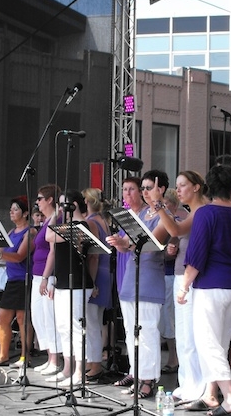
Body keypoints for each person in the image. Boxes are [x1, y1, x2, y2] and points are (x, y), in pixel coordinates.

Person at [176, 165, 231, 416]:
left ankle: (230, 397)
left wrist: (185, 284)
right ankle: (210, 393)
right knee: (219, 341)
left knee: (208, 344)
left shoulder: (205, 214)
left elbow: (196, 254)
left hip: (210, 285)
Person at [106, 170, 171, 398]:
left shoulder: (165, 215)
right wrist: (119, 242)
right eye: (142, 188)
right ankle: (137, 373)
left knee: (147, 331)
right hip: (132, 275)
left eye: (148, 187)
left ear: (161, 188)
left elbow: (152, 242)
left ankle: (149, 379)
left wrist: (128, 242)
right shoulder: (142, 214)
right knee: (131, 330)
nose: (144, 192)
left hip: (149, 278)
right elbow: (130, 244)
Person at [147, 170, 209, 402]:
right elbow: (177, 234)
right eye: (177, 185)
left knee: (190, 335)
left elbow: (175, 229)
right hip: (183, 274)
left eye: (183, 185)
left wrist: (158, 205)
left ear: (196, 187)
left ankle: (196, 385)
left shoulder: (202, 210)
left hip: (191, 278)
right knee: (183, 334)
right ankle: (188, 382)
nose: (179, 189)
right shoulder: (195, 211)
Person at [44, 189, 99, 387]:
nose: (59, 208)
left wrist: (52, 217)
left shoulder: (80, 226)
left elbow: (49, 236)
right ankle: (67, 368)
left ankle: (79, 370)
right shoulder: (65, 225)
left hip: (76, 282)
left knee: (76, 326)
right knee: (62, 326)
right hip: (62, 281)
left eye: (63, 204)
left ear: (73, 205)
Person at [0, 196, 36, 368]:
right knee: (2, 317)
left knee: (23, 318)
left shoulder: (30, 232)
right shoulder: (9, 233)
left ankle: (25, 357)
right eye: (11, 209)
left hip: (24, 279)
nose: (11, 211)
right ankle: (3, 355)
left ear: (25, 213)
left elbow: (19, 256)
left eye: (15, 209)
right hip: (12, 280)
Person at [82, 187, 113, 382]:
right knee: (95, 320)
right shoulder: (104, 222)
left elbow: (93, 255)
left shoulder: (91, 222)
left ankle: (94, 363)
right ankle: (92, 361)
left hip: (97, 274)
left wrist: (91, 282)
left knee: (91, 322)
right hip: (104, 273)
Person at [32, 184, 63, 375]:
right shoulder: (47, 220)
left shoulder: (57, 218)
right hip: (38, 273)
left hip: (47, 274)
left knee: (49, 317)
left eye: (40, 198)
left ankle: (55, 359)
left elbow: (53, 251)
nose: (37, 202)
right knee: (39, 317)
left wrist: (46, 277)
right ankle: (49, 356)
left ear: (50, 199)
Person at [159, 188, 186, 374]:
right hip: (162, 272)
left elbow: (172, 251)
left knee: (169, 319)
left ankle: (173, 358)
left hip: (170, 273)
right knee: (166, 318)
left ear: (174, 205)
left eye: (166, 204)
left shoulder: (177, 222)